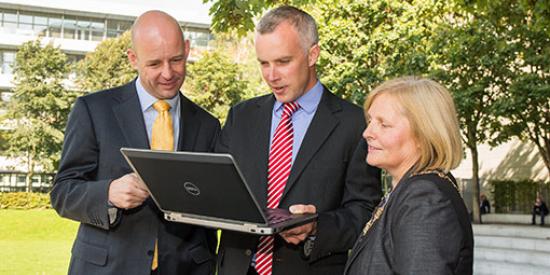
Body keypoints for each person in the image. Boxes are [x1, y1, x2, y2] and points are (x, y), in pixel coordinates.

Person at [215, 6, 382, 275]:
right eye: (263, 63)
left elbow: (365, 212)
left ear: (312, 54)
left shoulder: (354, 124)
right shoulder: (240, 116)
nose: (271, 75)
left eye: (282, 62)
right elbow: (218, 188)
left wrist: (317, 226)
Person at [50, 10, 220, 275]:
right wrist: (108, 193)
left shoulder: (208, 124)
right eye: (154, 64)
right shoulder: (93, 110)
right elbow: (62, 192)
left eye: (176, 59)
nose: (168, 73)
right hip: (107, 268)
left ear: (187, 50)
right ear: (133, 59)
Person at [344, 76, 474, 275]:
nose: (367, 133)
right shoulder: (411, 190)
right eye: (370, 121)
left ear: (424, 135)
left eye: (384, 124)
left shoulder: (425, 198)